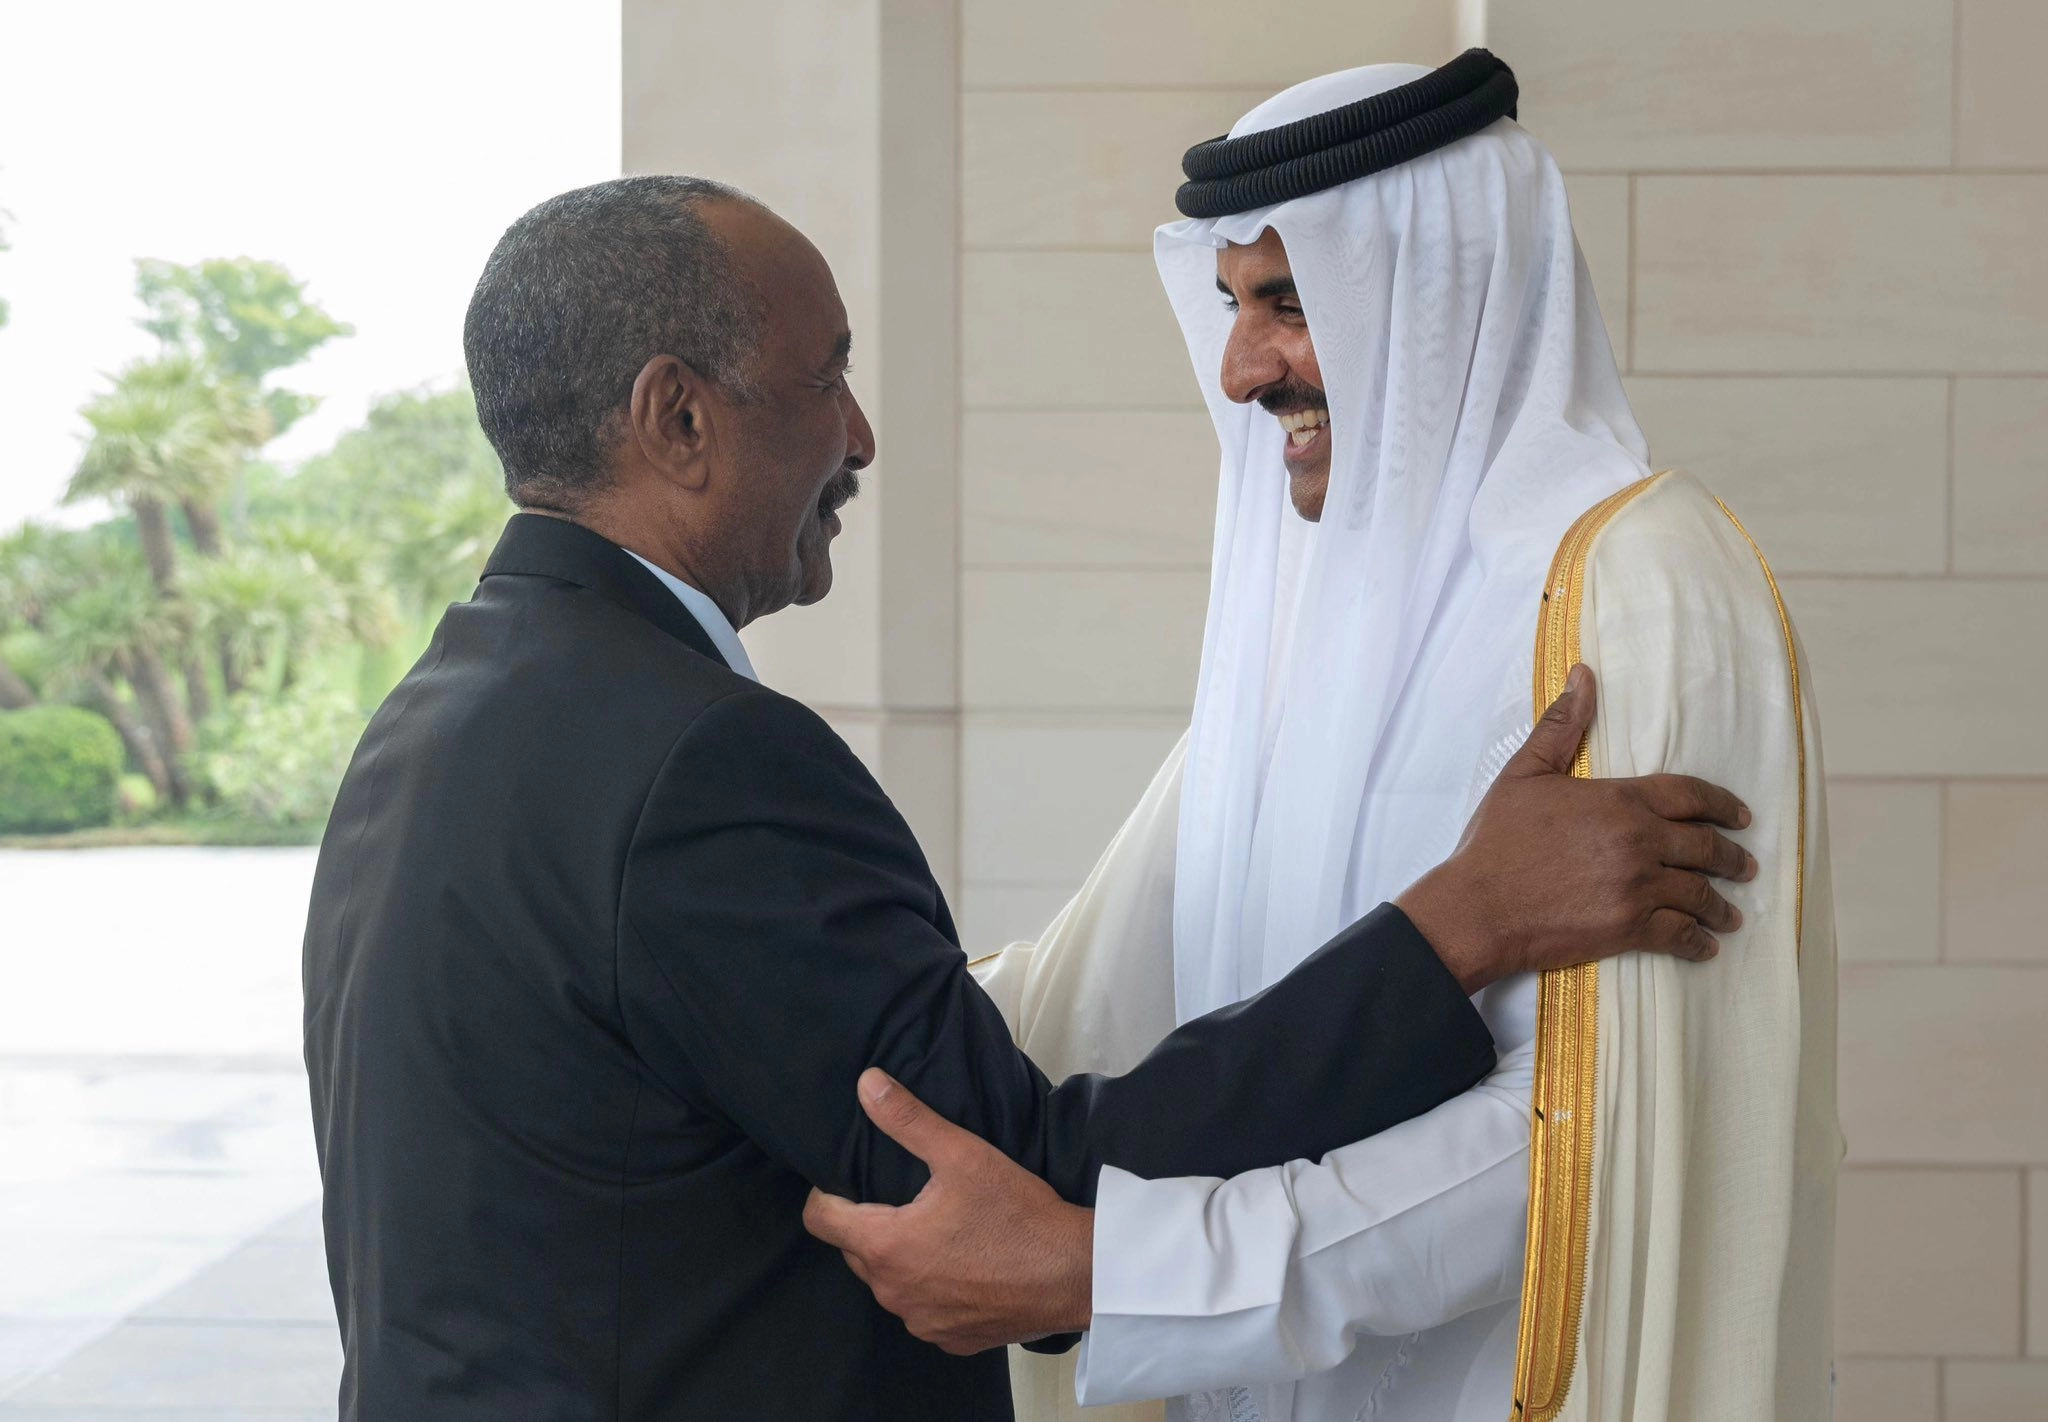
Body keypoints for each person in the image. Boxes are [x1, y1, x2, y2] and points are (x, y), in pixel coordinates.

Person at [302, 174, 1758, 1422]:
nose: (861, 436)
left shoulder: (446, 708)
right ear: (678, 418)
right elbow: (1003, 1168)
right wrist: (1463, 924)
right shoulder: (702, 761)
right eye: (825, 378)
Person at [804, 54, 1838, 1422]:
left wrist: (1122, 1275)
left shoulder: (1639, 590)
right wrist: (778, 1049)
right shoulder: (1316, 610)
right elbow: (1099, 977)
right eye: (1231, 306)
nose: (1243, 370)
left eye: (1289, 303)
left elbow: (1599, 1128)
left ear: (1446, 286)